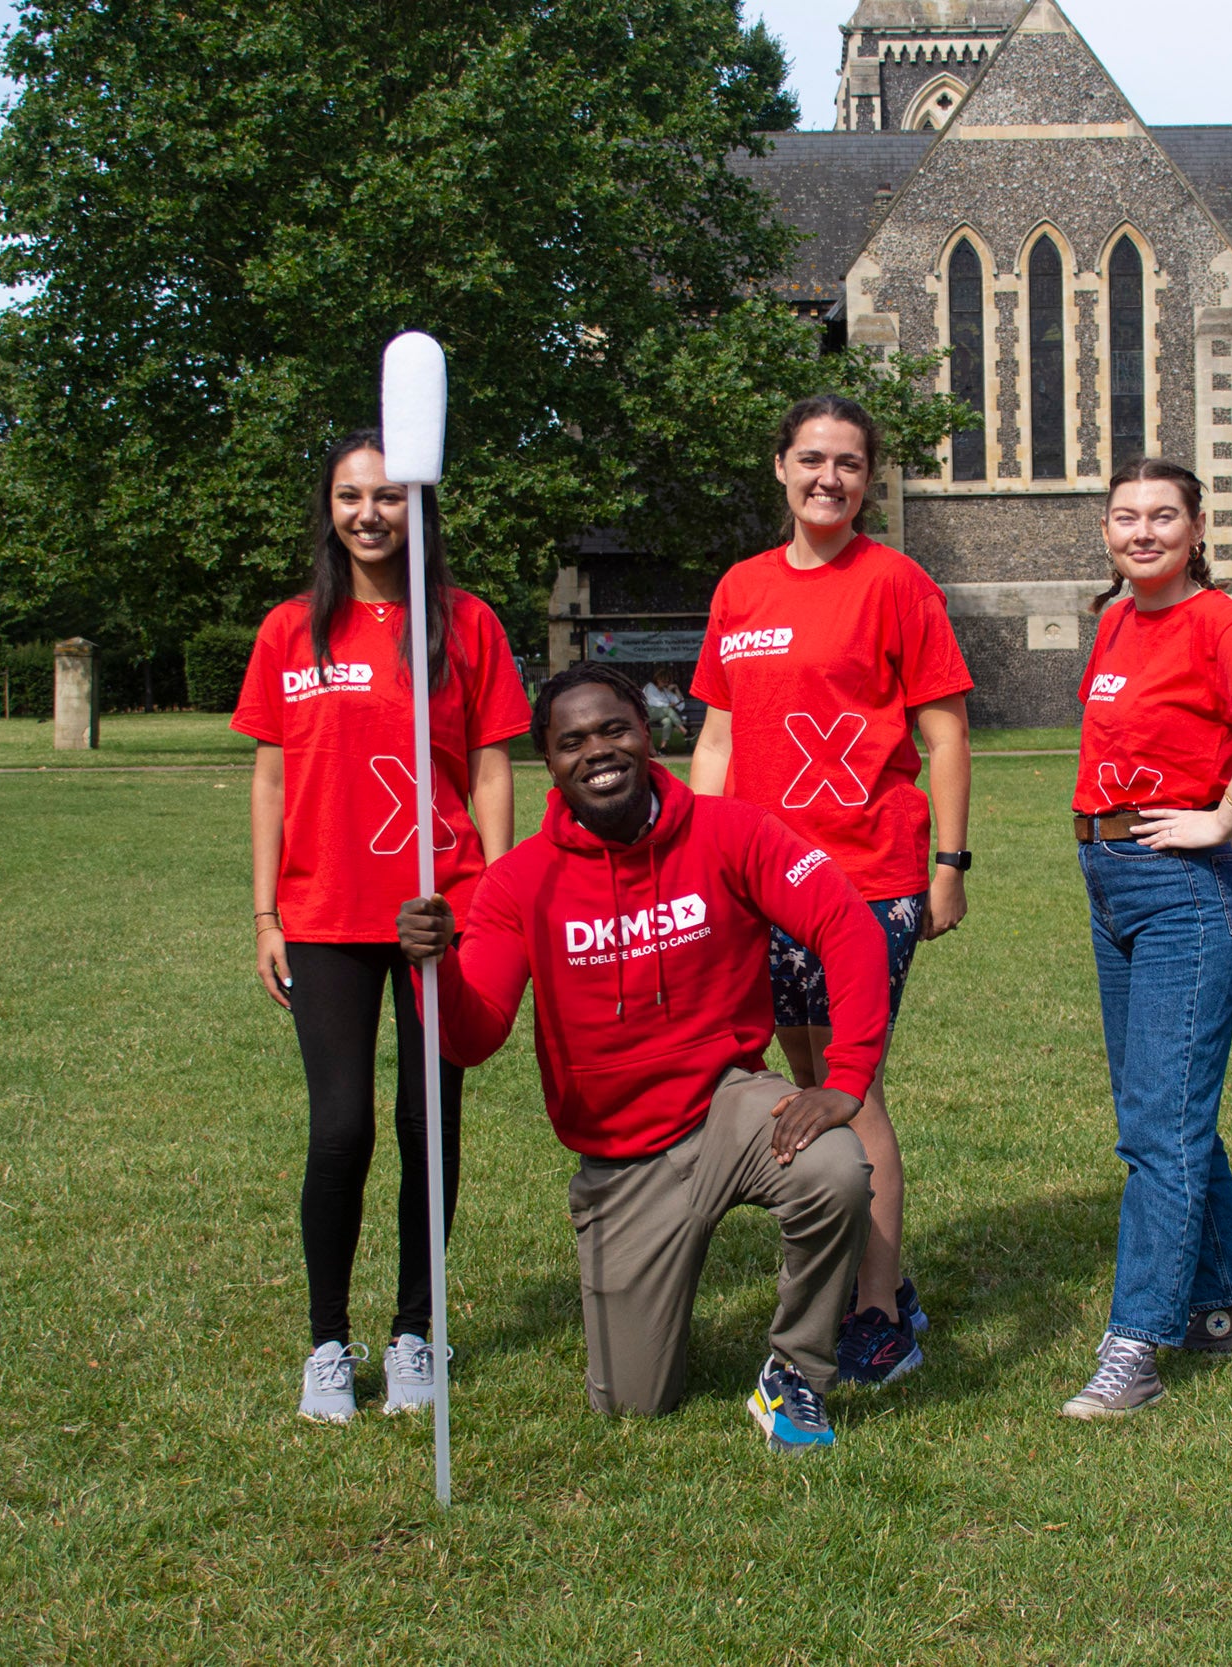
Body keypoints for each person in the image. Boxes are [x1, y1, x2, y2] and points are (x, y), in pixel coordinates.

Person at [395, 665, 890, 1452]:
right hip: (622, 1156)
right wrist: (438, 969)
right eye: (572, 741)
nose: (599, 750)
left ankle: (796, 1372)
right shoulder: (519, 881)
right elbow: (473, 1035)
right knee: (633, 1404)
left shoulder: (731, 830)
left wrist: (847, 1078)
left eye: (614, 728)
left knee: (833, 1167)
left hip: (727, 1107)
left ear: (649, 730)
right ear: (549, 764)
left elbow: (845, 923)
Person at [233, 428, 531, 1423]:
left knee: (427, 1126)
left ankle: (415, 1331)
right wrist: (267, 909)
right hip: (324, 912)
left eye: (390, 495)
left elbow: (492, 765)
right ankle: (327, 1339)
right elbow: (271, 775)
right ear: (329, 509)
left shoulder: (465, 624)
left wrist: (483, 899)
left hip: (434, 915)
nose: (370, 512)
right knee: (343, 1127)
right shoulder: (290, 631)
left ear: (420, 506)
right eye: (351, 495)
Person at [688, 394, 974, 1387]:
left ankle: (879, 1314)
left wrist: (950, 863)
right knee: (799, 1079)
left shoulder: (896, 583)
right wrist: (692, 860)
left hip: (867, 881)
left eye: (849, 463)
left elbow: (943, 732)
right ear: (779, 466)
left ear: (868, 477)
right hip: (759, 886)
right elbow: (718, 738)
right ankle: (870, 1279)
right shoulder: (740, 589)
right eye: (812, 459)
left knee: (852, 1094)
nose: (830, 478)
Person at [1058, 458, 1232, 1421]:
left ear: (1198, 530)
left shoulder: (1217, 622)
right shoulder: (1119, 618)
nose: (1143, 532)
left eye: (1164, 516)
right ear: (1107, 531)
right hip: (1111, 878)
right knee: (1157, 1109)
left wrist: (1228, 822)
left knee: (1156, 1128)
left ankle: (1139, 1343)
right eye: (1126, 516)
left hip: (1178, 892)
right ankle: (1216, 1303)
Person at [641, 671, 688, 749]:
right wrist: (669, 705)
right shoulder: (650, 687)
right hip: (648, 712)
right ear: (657, 679)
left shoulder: (665, 691)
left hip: (661, 714)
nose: (665, 683)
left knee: (668, 721)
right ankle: (684, 731)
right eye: (663, 681)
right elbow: (653, 702)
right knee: (668, 710)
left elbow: (680, 704)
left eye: (667, 681)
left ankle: (663, 747)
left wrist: (676, 689)